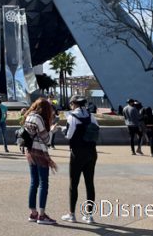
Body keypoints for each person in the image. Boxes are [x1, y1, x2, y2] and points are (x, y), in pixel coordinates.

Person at [61, 96, 97, 224]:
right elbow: (96, 130)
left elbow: (69, 135)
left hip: (77, 153)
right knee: (90, 183)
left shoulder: (72, 117)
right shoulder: (90, 115)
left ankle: (72, 215)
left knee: (73, 184)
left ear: (74, 104)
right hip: (91, 152)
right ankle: (89, 215)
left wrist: (62, 131)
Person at [23, 97, 58, 225]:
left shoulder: (29, 116)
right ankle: (42, 215)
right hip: (40, 154)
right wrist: (52, 131)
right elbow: (46, 139)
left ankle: (33, 213)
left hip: (30, 152)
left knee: (34, 182)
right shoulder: (38, 118)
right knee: (43, 183)